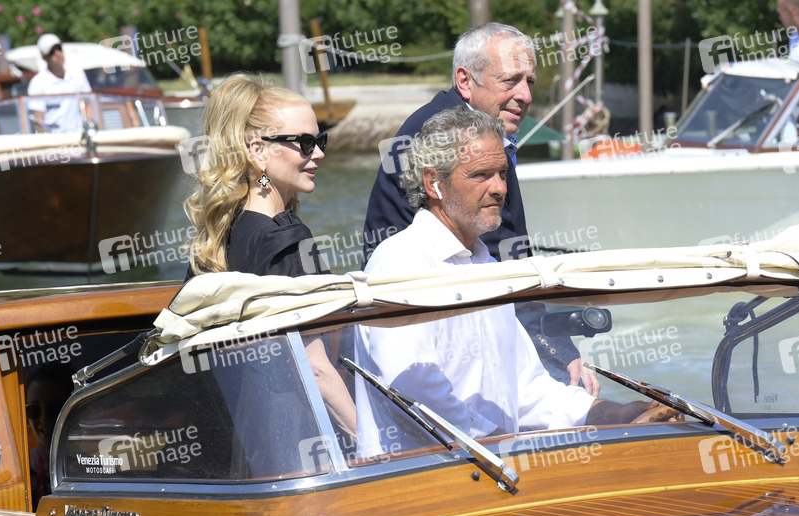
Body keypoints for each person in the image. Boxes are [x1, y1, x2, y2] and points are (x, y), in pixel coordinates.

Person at [354, 108, 671, 456]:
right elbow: (412, 395)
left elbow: (526, 389)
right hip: (415, 480)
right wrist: (501, 445)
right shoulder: (400, 263)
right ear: (434, 184)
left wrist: (614, 414)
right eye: (481, 175)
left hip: (492, 471)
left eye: (502, 173)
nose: (500, 188)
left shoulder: (488, 268)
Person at [362, 22, 598, 395]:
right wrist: (557, 350)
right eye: (510, 81)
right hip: (431, 325)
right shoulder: (452, 134)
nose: (525, 95)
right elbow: (503, 255)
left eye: (530, 82)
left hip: (458, 308)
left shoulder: (476, 128)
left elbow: (505, 254)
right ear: (465, 81)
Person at [183, 73, 356, 436]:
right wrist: (373, 443)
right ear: (258, 151)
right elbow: (317, 370)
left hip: (248, 435)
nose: (319, 153)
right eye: (305, 143)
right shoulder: (285, 240)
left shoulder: (219, 236)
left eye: (319, 140)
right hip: (298, 438)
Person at [25, 363, 73, 510]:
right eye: (34, 409)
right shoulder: (21, 473)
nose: (44, 418)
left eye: (54, 408)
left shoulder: (90, 468)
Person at [26, 33, 92, 133]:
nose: (58, 54)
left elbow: (88, 104)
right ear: (44, 57)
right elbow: (38, 121)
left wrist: (89, 130)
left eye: (59, 48)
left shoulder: (77, 73)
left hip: (79, 136)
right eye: (51, 52)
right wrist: (52, 140)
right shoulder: (37, 83)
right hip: (55, 139)